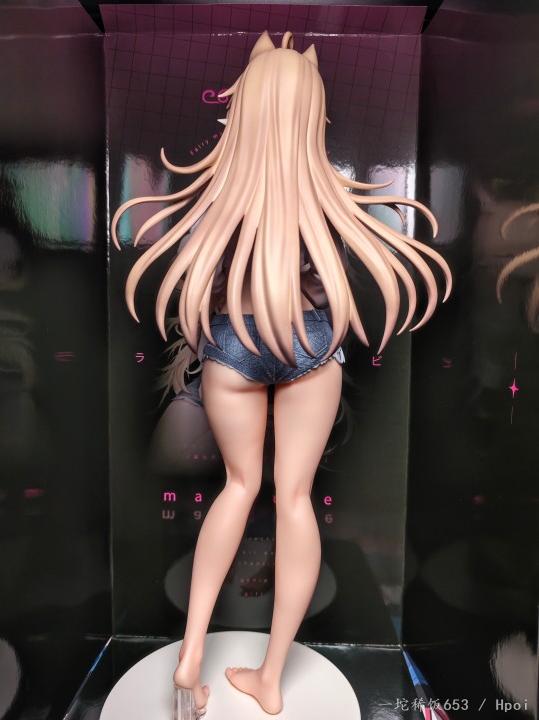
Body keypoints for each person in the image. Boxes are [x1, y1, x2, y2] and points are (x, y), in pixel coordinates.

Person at [112, 29, 452, 720]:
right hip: (309, 345)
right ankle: (270, 678)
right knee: (293, 499)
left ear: (243, 108)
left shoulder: (222, 198)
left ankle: (189, 656)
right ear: (310, 113)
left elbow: (202, 279)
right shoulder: (323, 200)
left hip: (232, 346)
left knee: (238, 488)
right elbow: (340, 276)